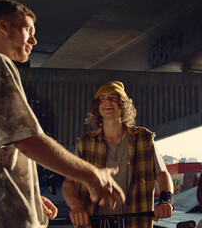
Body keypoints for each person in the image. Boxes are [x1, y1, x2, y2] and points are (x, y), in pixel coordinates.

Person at [0, 0, 125, 228]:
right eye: (28, 31)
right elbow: (27, 139)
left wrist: (30, 195)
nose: (34, 40)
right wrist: (92, 175)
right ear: (3, 26)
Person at [62, 81, 174, 228]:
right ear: (98, 107)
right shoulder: (85, 143)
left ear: (123, 105)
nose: (107, 101)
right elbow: (69, 183)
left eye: (113, 97)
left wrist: (165, 201)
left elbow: (162, 174)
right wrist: (76, 207)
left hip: (135, 223)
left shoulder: (144, 138)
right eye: (102, 98)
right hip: (93, 223)